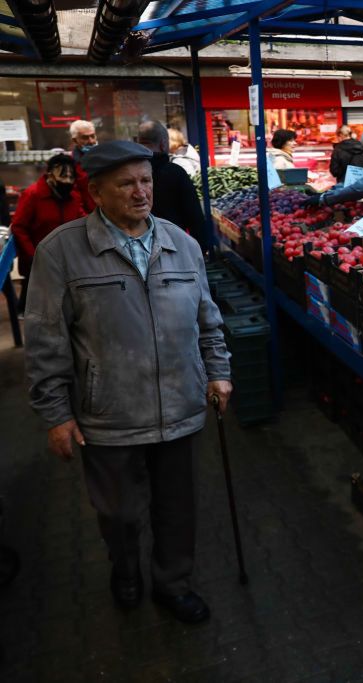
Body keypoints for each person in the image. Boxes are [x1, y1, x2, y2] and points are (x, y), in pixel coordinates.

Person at [24, 140, 232, 624]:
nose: (141, 192)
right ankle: (125, 566)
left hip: (181, 403)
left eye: (146, 181)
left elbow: (208, 318)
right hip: (109, 413)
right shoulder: (63, 251)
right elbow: (45, 338)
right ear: (96, 191)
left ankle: (173, 583)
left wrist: (218, 371)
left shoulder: (181, 244)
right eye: (127, 184)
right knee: (119, 513)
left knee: (177, 510)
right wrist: (56, 414)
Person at [10, 153, 87, 312]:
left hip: (66, 259)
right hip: (37, 260)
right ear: (50, 174)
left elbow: (81, 220)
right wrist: (33, 256)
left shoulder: (73, 196)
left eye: (70, 177)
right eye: (62, 176)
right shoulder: (33, 195)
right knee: (40, 307)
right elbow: (19, 227)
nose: (67, 181)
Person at [137, 121, 208, 252]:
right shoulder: (175, 173)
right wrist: (201, 250)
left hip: (139, 247)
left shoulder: (129, 174)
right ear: (164, 144)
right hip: (173, 246)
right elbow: (194, 217)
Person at [69, 120, 98, 212]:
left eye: (93, 136)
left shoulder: (105, 157)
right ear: (75, 140)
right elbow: (74, 196)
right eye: (85, 138)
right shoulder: (71, 164)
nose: (91, 141)